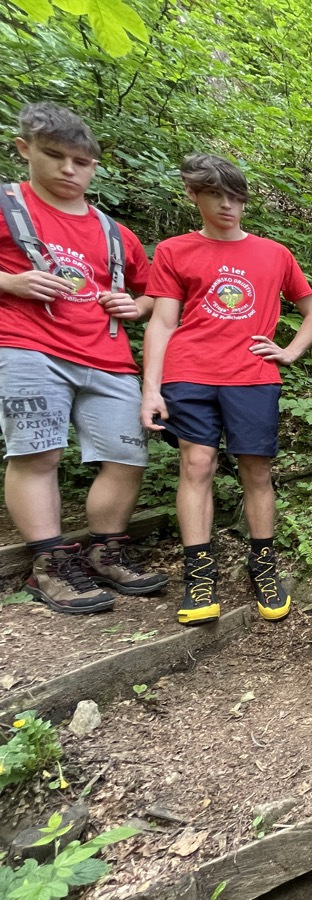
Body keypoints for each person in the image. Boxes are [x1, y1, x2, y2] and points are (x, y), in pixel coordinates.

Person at [140, 154, 312, 625]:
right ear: (193, 195)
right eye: (214, 195)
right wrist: (151, 389)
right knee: (196, 464)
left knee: (257, 470)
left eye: (235, 196)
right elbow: (162, 322)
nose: (226, 205)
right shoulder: (174, 250)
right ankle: (199, 576)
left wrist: (289, 351)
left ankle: (263, 565)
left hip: (253, 375)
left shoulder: (274, 253)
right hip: (189, 371)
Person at [0, 102, 166, 614]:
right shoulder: (7, 205)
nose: (68, 170)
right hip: (26, 343)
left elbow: (152, 294)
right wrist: (10, 282)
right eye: (55, 156)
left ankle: (105, 549)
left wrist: (134, 306)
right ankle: (49, 562)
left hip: (107, 355)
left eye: (81, 161)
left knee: (126, 456)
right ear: (25, 149)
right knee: (38, 453)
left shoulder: (114, 232)